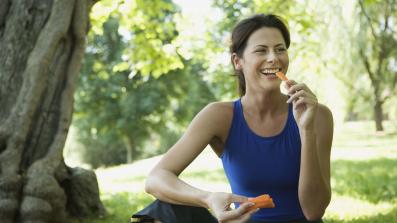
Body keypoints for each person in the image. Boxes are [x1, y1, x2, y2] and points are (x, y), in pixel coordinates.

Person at [132, 13, 333, 223]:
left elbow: (314, 212)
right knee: (161, 209)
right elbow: (156, 179)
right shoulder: (220, 116)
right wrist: (208, 199)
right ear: (238, 61)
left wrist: (306, 130)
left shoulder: (317, 115)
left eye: (280, 49)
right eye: (261, 50)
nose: (274, 57)